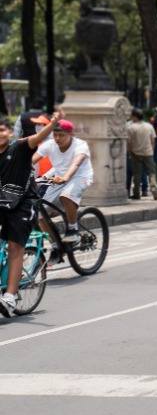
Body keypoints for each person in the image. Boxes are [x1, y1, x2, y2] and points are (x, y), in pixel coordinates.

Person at [0, 111, 61, 317]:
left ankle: (9, 297)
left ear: (11, 133)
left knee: (14, 246)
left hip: (23, 205)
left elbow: (38, 138)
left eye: (3, 130)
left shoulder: (20, 147)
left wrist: (52, 124)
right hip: (2, 204)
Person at [33, 120, 93, 240]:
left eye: (62, 135)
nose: (57, 138)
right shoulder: (49, 145)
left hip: (81, 177)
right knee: (41, 216)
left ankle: (73, 229)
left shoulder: (81, 145)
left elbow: (76, 163)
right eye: (55, 135)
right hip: (58, 179)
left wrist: (66, 177)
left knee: (66, 196)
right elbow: (32, 160)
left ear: (71, 134)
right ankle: (56, 247)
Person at [126, 109, 157, 200]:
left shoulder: (131, 128)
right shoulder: (149, 126)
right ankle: (154, 189)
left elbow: (129, 142)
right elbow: (153, 140)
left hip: (135, 153)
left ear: (135, 116)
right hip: (148, 153)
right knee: (151, 173)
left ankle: (136, 193)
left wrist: (129, 152)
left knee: (137, 174)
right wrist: (151, 150)